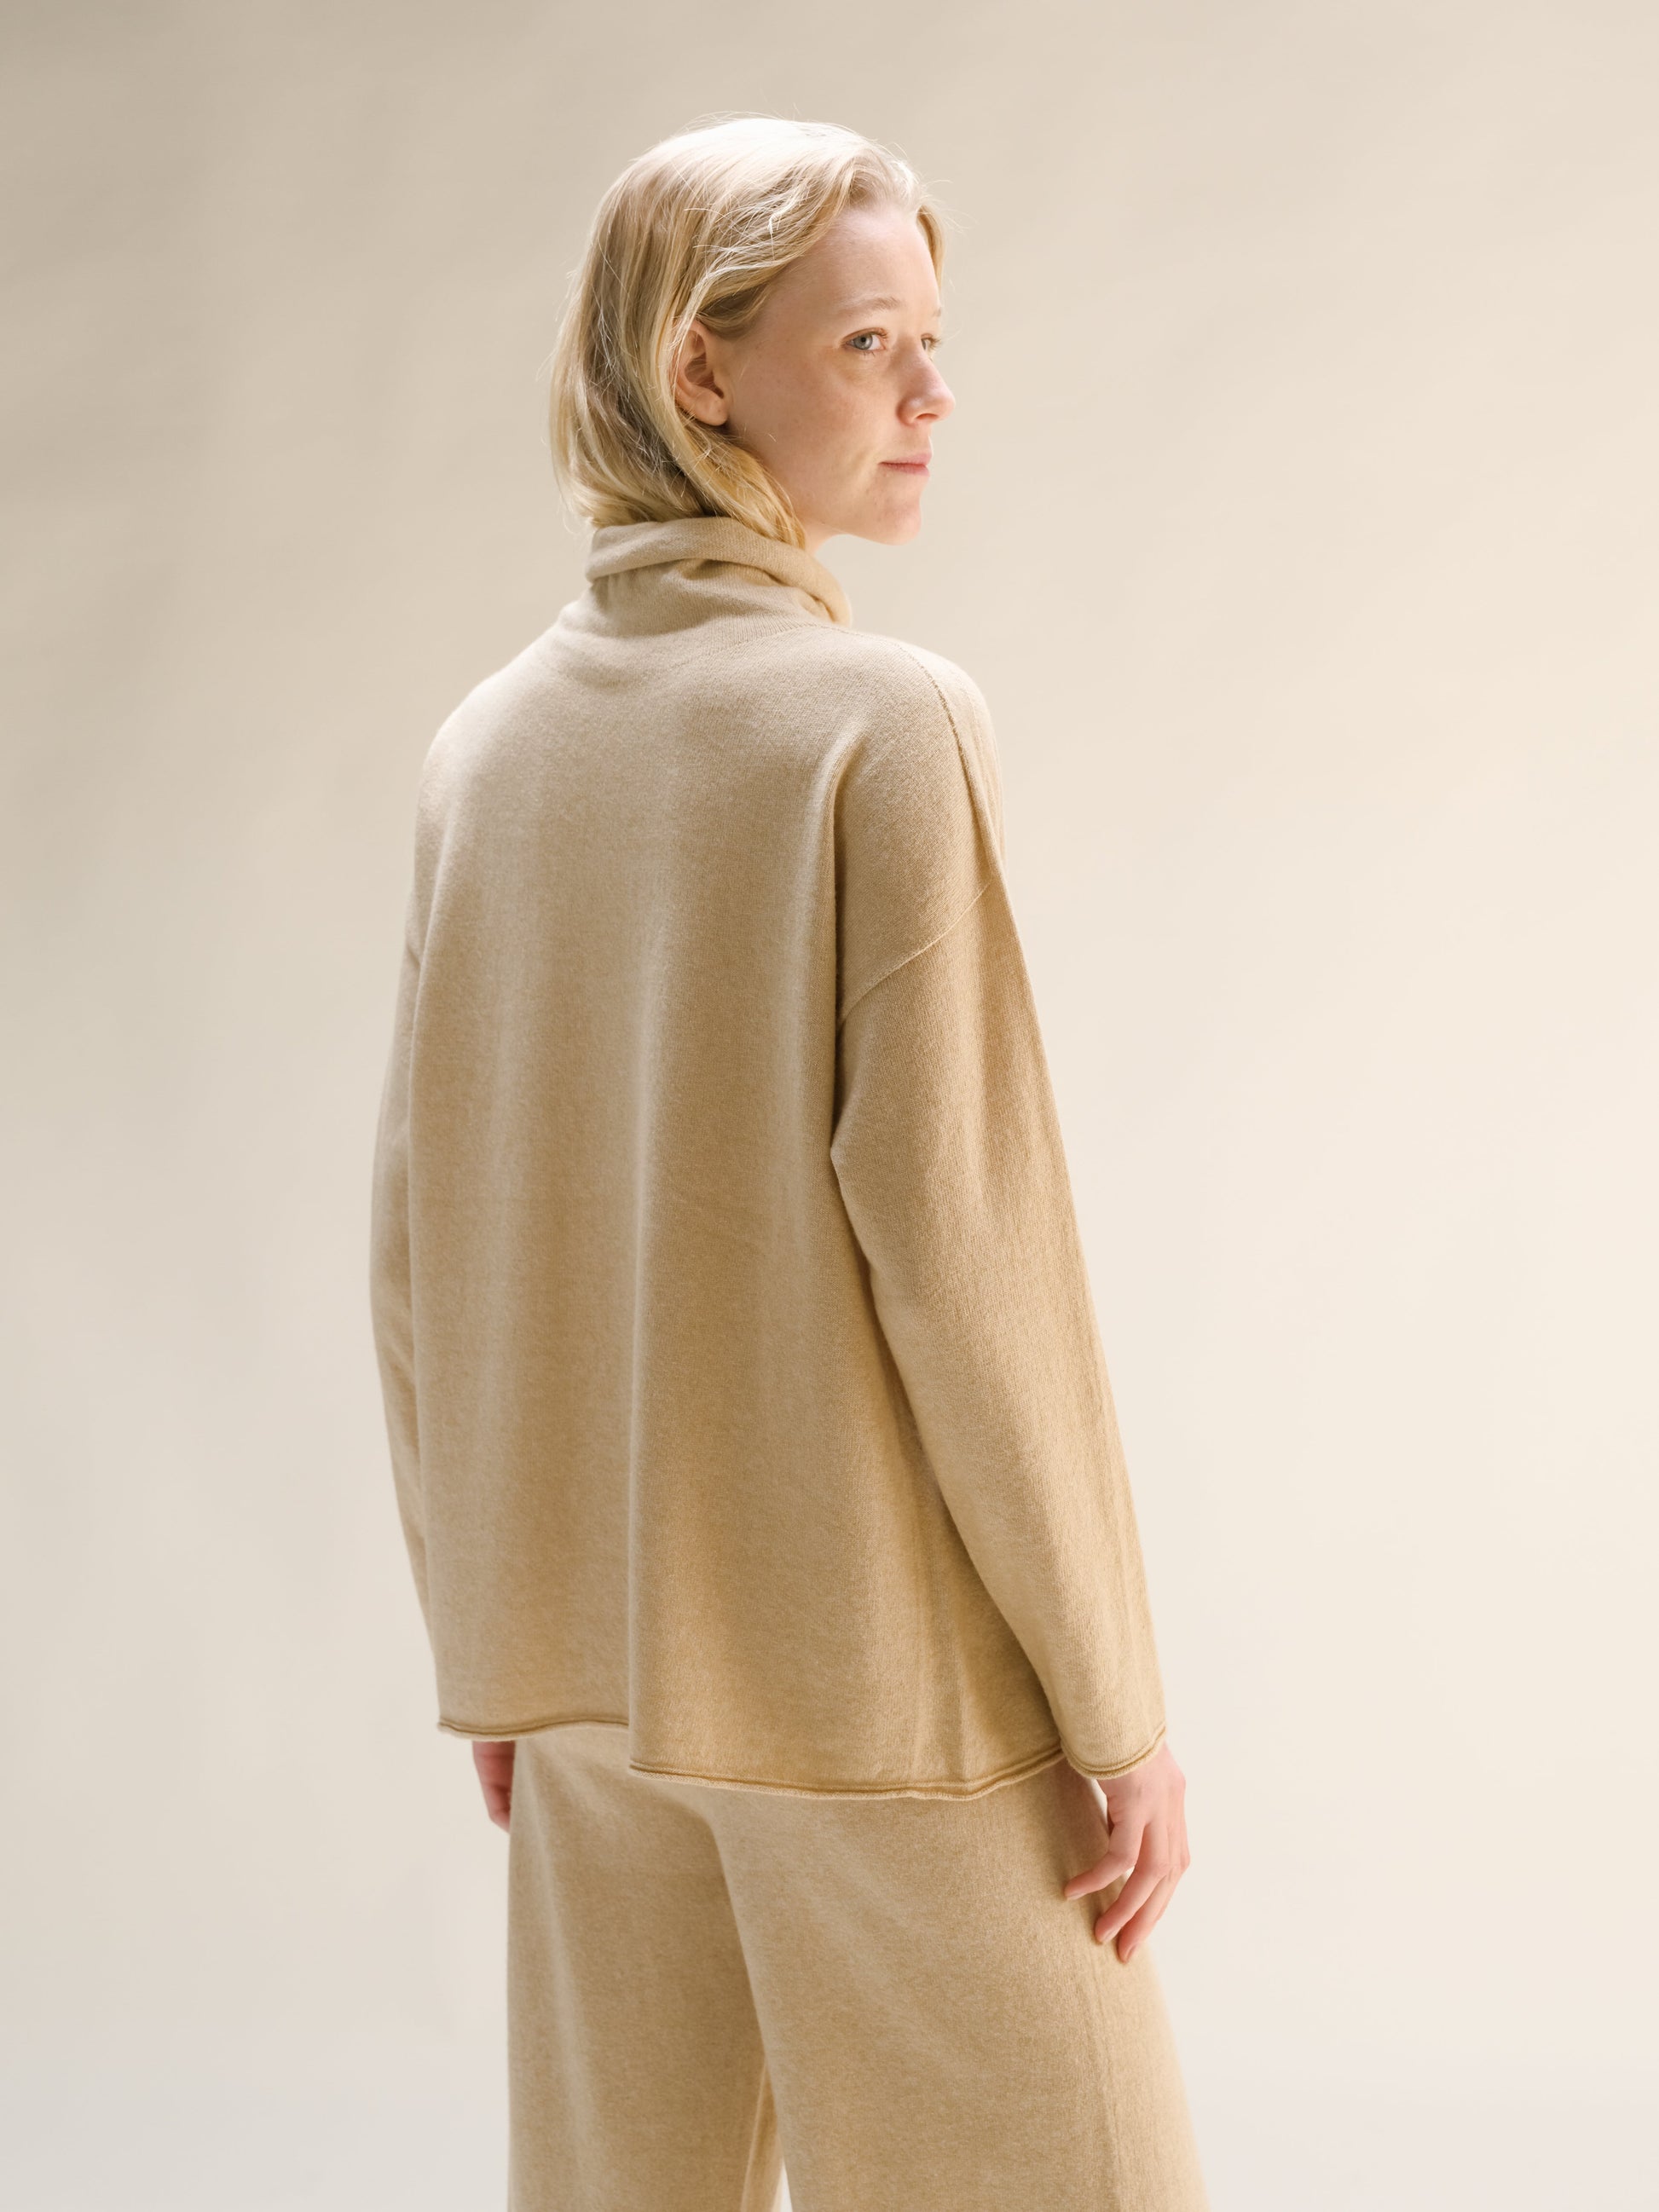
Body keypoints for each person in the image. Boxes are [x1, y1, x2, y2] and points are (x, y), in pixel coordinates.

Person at [369, 113, 1209, 2212]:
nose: (933, 394)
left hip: (585, 1686)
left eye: (931, 338)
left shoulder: (483, 750)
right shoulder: (878, 727)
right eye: (867, 343)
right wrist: (1114, 1706)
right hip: (879, 1702)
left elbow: (415, 1250)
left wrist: (496, 1637)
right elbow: (969, 1255)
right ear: (700, 369)